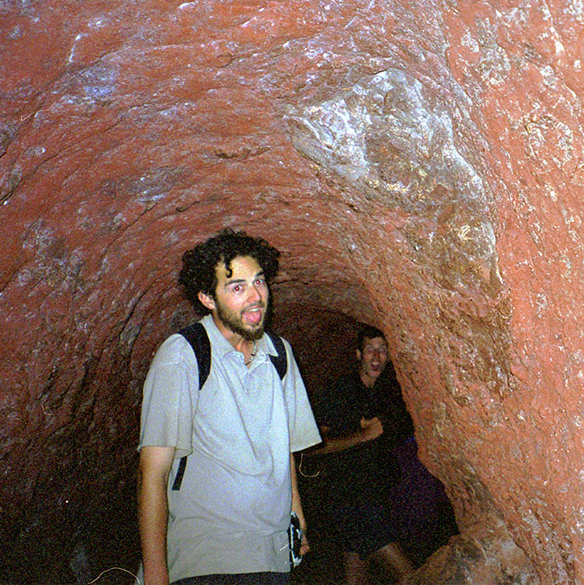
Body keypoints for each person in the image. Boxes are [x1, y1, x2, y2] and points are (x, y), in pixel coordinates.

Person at [137, 229, 321, 585]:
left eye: (260, 282)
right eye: (237, 288)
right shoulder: (183, 356)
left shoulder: (279, 354)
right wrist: (156, 577)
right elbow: (152, 473)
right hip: (206, 562)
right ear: (207, 298)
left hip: (272, 558)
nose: (256, 297)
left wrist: (296, 521)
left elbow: (281, 452)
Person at [311, 327, 415, 584]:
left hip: (371, 495)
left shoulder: (384, 394)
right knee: (409, 574)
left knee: (356, 575)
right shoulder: (340, 391)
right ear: (359, 354)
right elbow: (314, 447)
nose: (376, 356)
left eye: (382, 350)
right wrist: (363, 435)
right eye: (370, 350)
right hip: (350, 499)